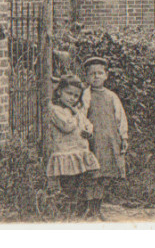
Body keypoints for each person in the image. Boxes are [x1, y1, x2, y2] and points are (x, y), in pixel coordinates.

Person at [79, 56, 128, 220]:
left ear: (106, 75)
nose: (96, 77)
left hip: (109, 141)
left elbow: (120, 118)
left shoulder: (112, 96)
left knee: (103, 176)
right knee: (91, 175)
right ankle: (89, 208)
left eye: (100, 73)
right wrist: (84, 132)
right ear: (86, 77)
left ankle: (98, 208)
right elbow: (82, 115)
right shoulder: (86, 95)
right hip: (93, 141)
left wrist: (124, 137)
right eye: (92, 74)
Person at [46, 76, 99, 214]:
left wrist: (88, 131)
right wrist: (76, 115)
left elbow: (87, 124)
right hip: (66, 153)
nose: (72, 98)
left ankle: (79, 208)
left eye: (76, 96)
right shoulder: (55, 110)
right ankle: (67, 211)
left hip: (79, 151)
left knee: (81, 181)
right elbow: (67, 126)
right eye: (69, 93)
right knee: (68, 183)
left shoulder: (76, 110)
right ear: (59, 92)